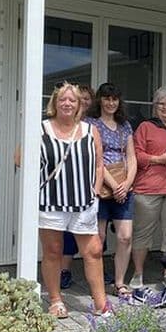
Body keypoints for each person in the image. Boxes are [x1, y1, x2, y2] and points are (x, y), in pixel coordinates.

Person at [38, 82, 108, 318]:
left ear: (79, 105)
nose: (67, 103)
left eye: (72, 100)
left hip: (84, 202)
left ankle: (101, 303)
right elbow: (20, 159)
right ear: (55, 103)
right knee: (53, 251)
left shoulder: (90, 131)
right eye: (62, 99)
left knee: (94, 251)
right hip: (51, 201)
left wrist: (95, 192)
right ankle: (55, 300)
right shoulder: (41, 129)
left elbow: (99, 165)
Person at [130, 88, 166, 309]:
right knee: (142, 233)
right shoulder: (145, 127)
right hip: (148, 188)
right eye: (162, 104)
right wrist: (160, 159)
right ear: (155, 106)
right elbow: (137, 155)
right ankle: (138, 274)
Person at [86, 83, 137, 298]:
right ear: (100, 100)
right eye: (107, 98)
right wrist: (114, 185)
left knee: (125, 237)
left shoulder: (125, 126)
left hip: (123, 188)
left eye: (114, 99)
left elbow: (132, 157)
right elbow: (96, 158)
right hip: (101, 188)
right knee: (98, 238)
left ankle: (119, 282)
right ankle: (97, 283)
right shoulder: (91, 124)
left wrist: (126, 183)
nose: (111, 103)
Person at [59, 84, 95, 289]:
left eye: (87, 98)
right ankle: (64, 271)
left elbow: (99, 159)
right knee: (66, 233)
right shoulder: (62, 123)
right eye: (80, 98)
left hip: (89, 187)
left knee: (93, 234)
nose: (84, 101)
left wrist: (96, 187)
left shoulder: (95, 125)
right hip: (66, 186)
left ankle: (95, 272)